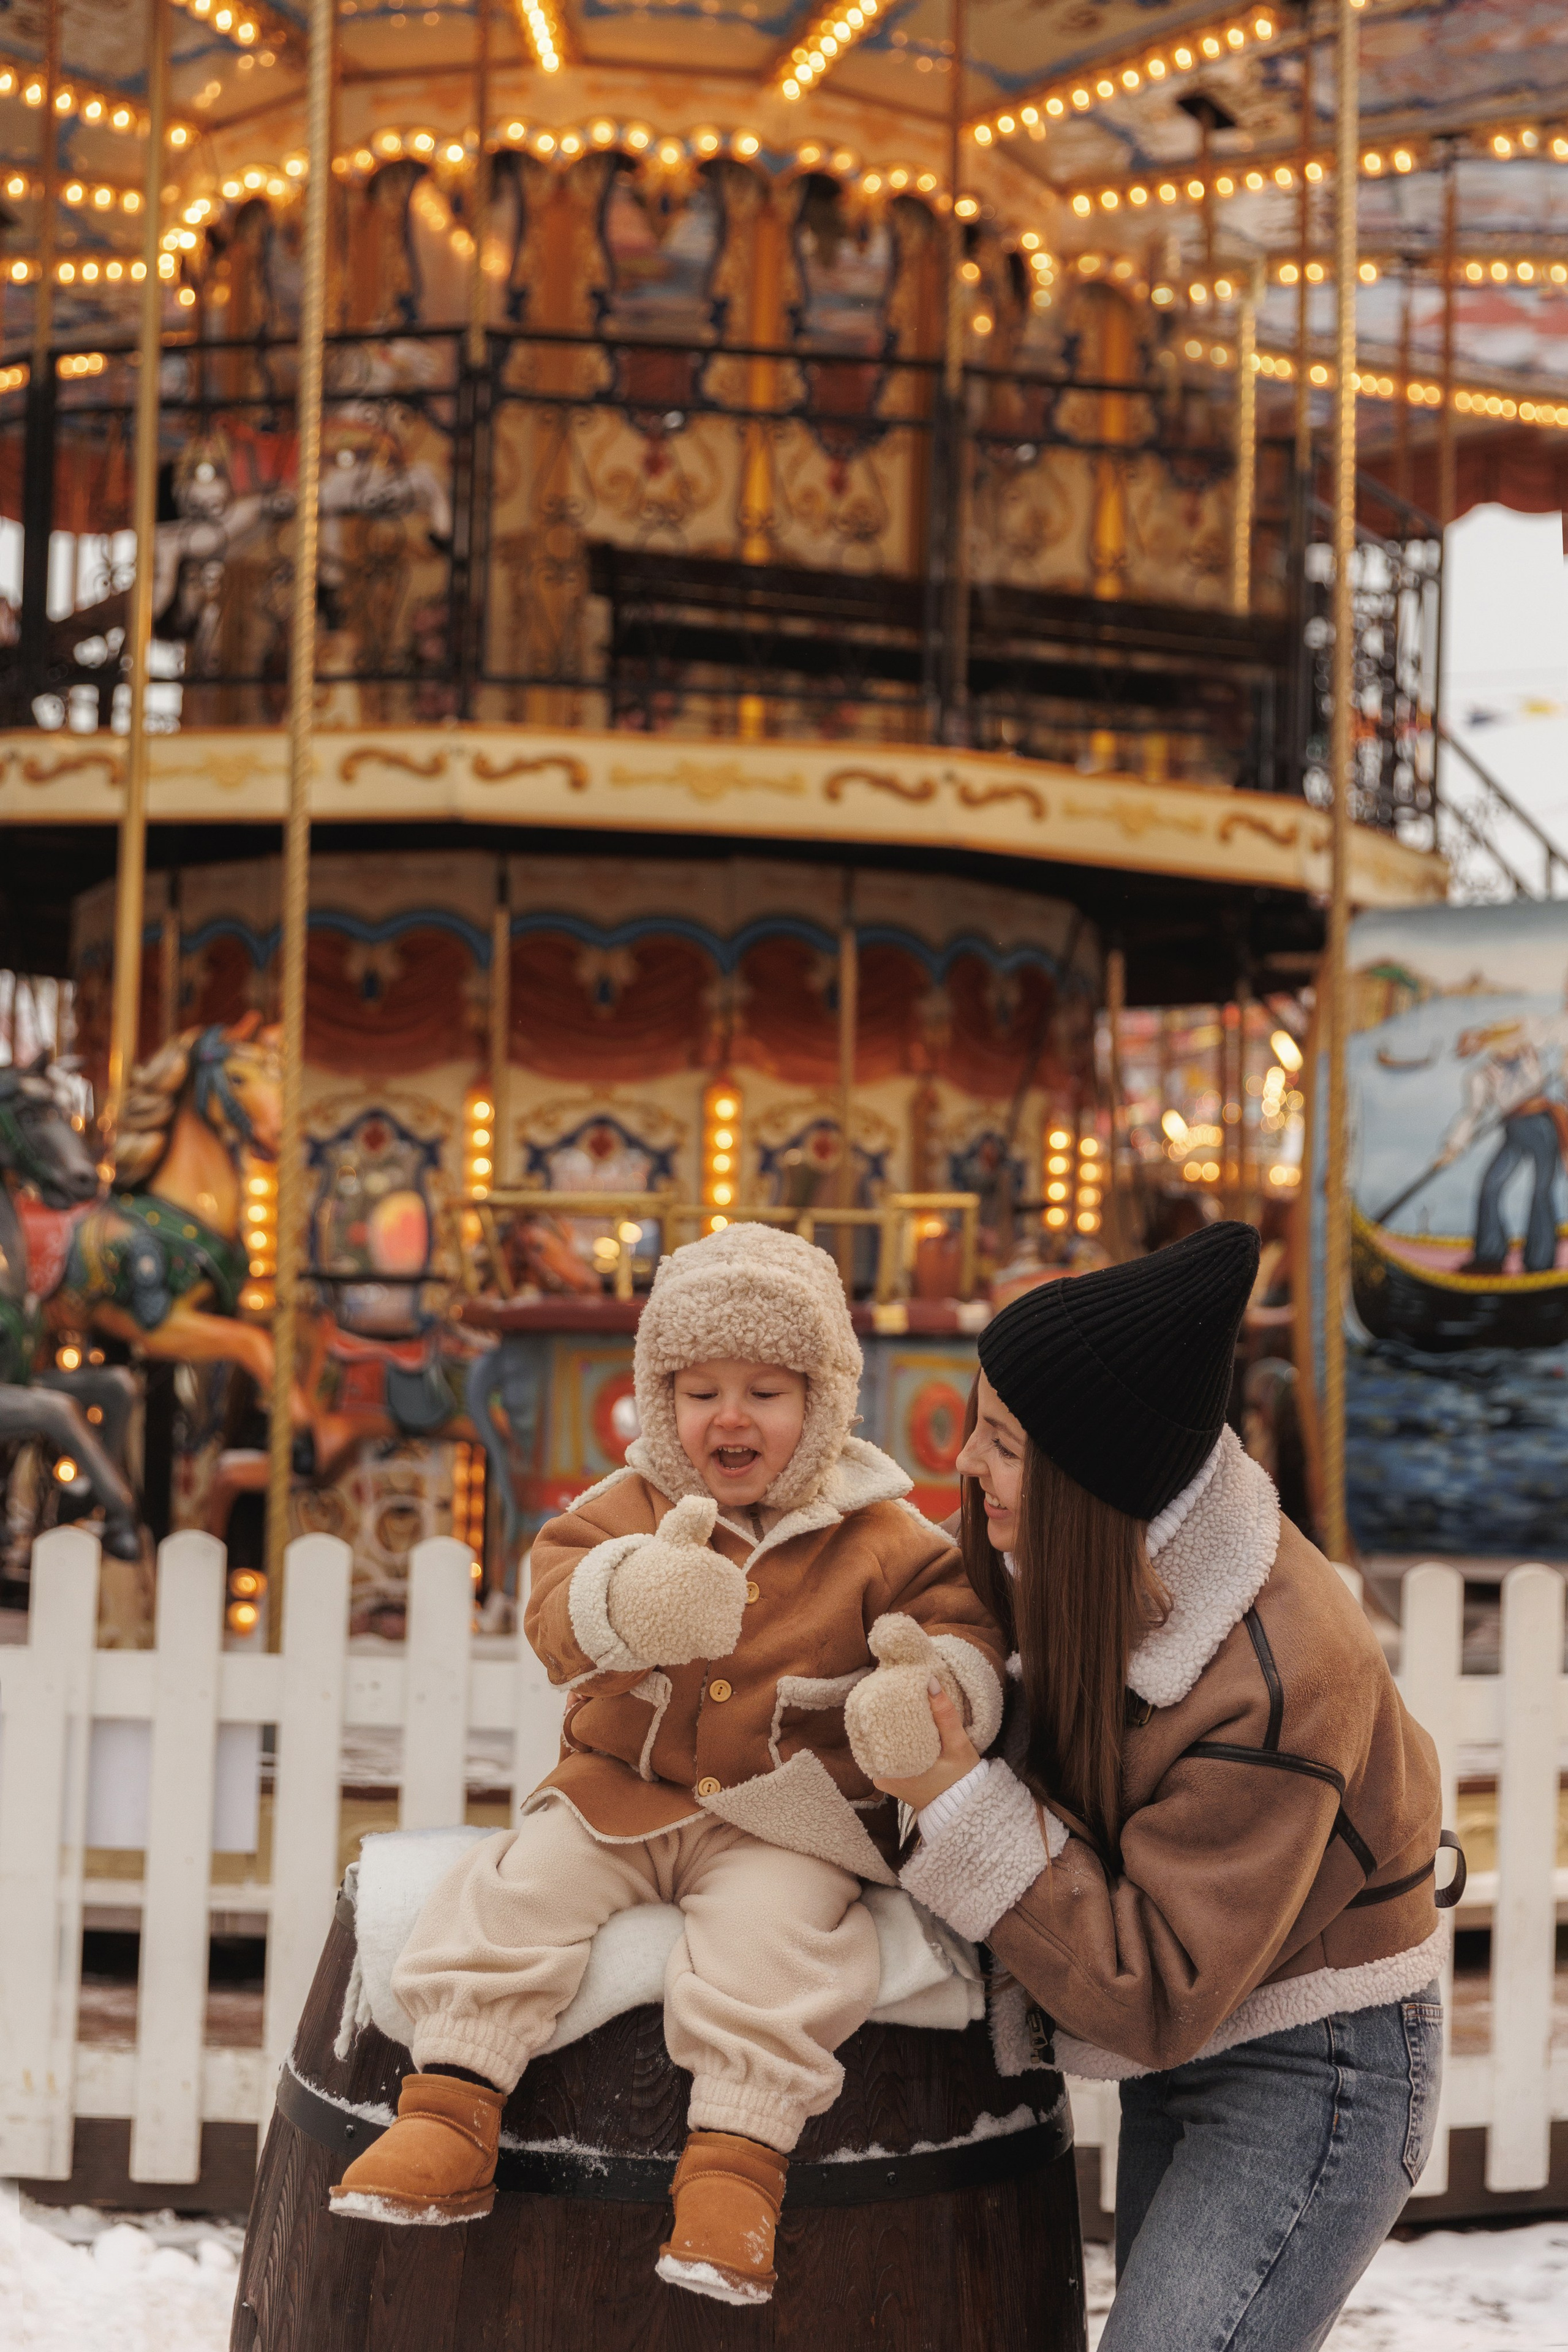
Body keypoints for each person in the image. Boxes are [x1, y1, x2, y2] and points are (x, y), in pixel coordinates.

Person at [330, 1223, 1006, 2307]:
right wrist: (619, 1600)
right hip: (622, 1790)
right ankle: (450, 2108)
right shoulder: (621, 1506)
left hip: (787, 1818)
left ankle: (737, 2163)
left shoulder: (884, 1533)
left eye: (766, 1392)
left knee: (779, 1947)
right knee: (516, 1890)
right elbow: (552, 1612)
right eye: (699, 1391)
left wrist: (930, 1701)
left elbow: (962, 1629)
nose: (728, 1418)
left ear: (824, 1402)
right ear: (660, 1397)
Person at [877, 1221, 1455, 2352]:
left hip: (1314, 2067)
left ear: (1089, 1475)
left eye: (1000, 1442)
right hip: (1203, 2038)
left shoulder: (1284, 1677)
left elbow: (1154, 1988)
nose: (966, 1466)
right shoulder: (1090, 1557)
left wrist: (955, 1795)